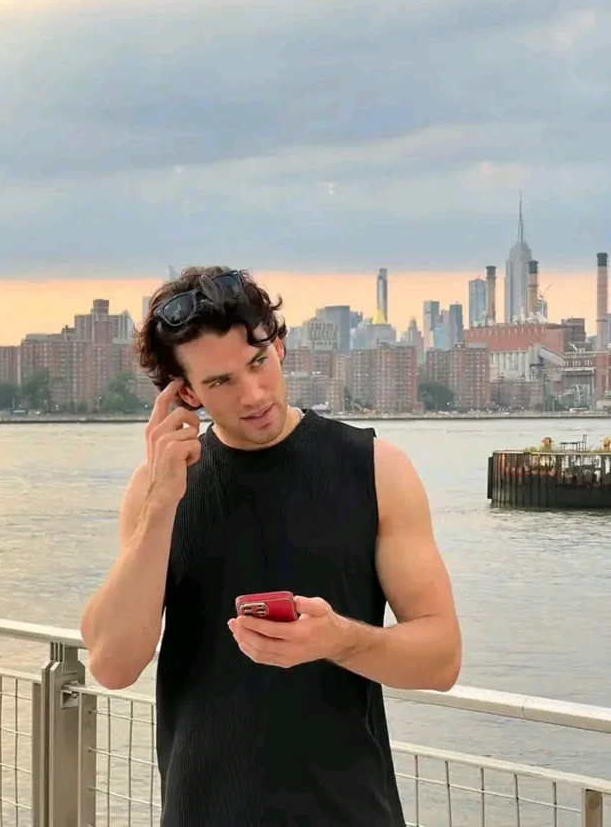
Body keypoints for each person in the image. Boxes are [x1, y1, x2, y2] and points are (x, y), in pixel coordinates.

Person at [80, 266, 461, 827]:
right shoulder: (158, 489)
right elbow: (112, 664)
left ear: (279, 345)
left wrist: (338, 639)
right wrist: (160, 503)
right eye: (220, 382)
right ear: (186, 393)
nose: (253, 394)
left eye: (258, 363)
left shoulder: (376, 468)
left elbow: (442, 657)